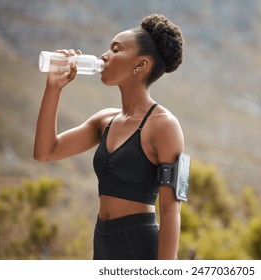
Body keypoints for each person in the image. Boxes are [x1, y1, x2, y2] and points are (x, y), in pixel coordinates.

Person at [33, 14, 185, 260]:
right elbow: (44, 152)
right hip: (102, 243)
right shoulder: (105, 121)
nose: (104, 55)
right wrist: (53, 88)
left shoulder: (164, 125)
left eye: (116, 49)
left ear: (141, 64)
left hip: (141, 248)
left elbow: (170, 211)